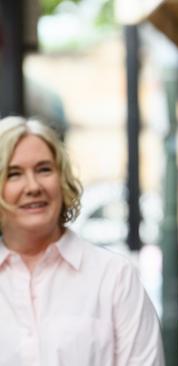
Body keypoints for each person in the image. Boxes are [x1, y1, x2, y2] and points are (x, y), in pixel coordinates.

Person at [0, 116, 164, 365]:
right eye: (14, 174)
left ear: (62, 179)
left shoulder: (114, 277)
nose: (33, 186)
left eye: (44, 169)